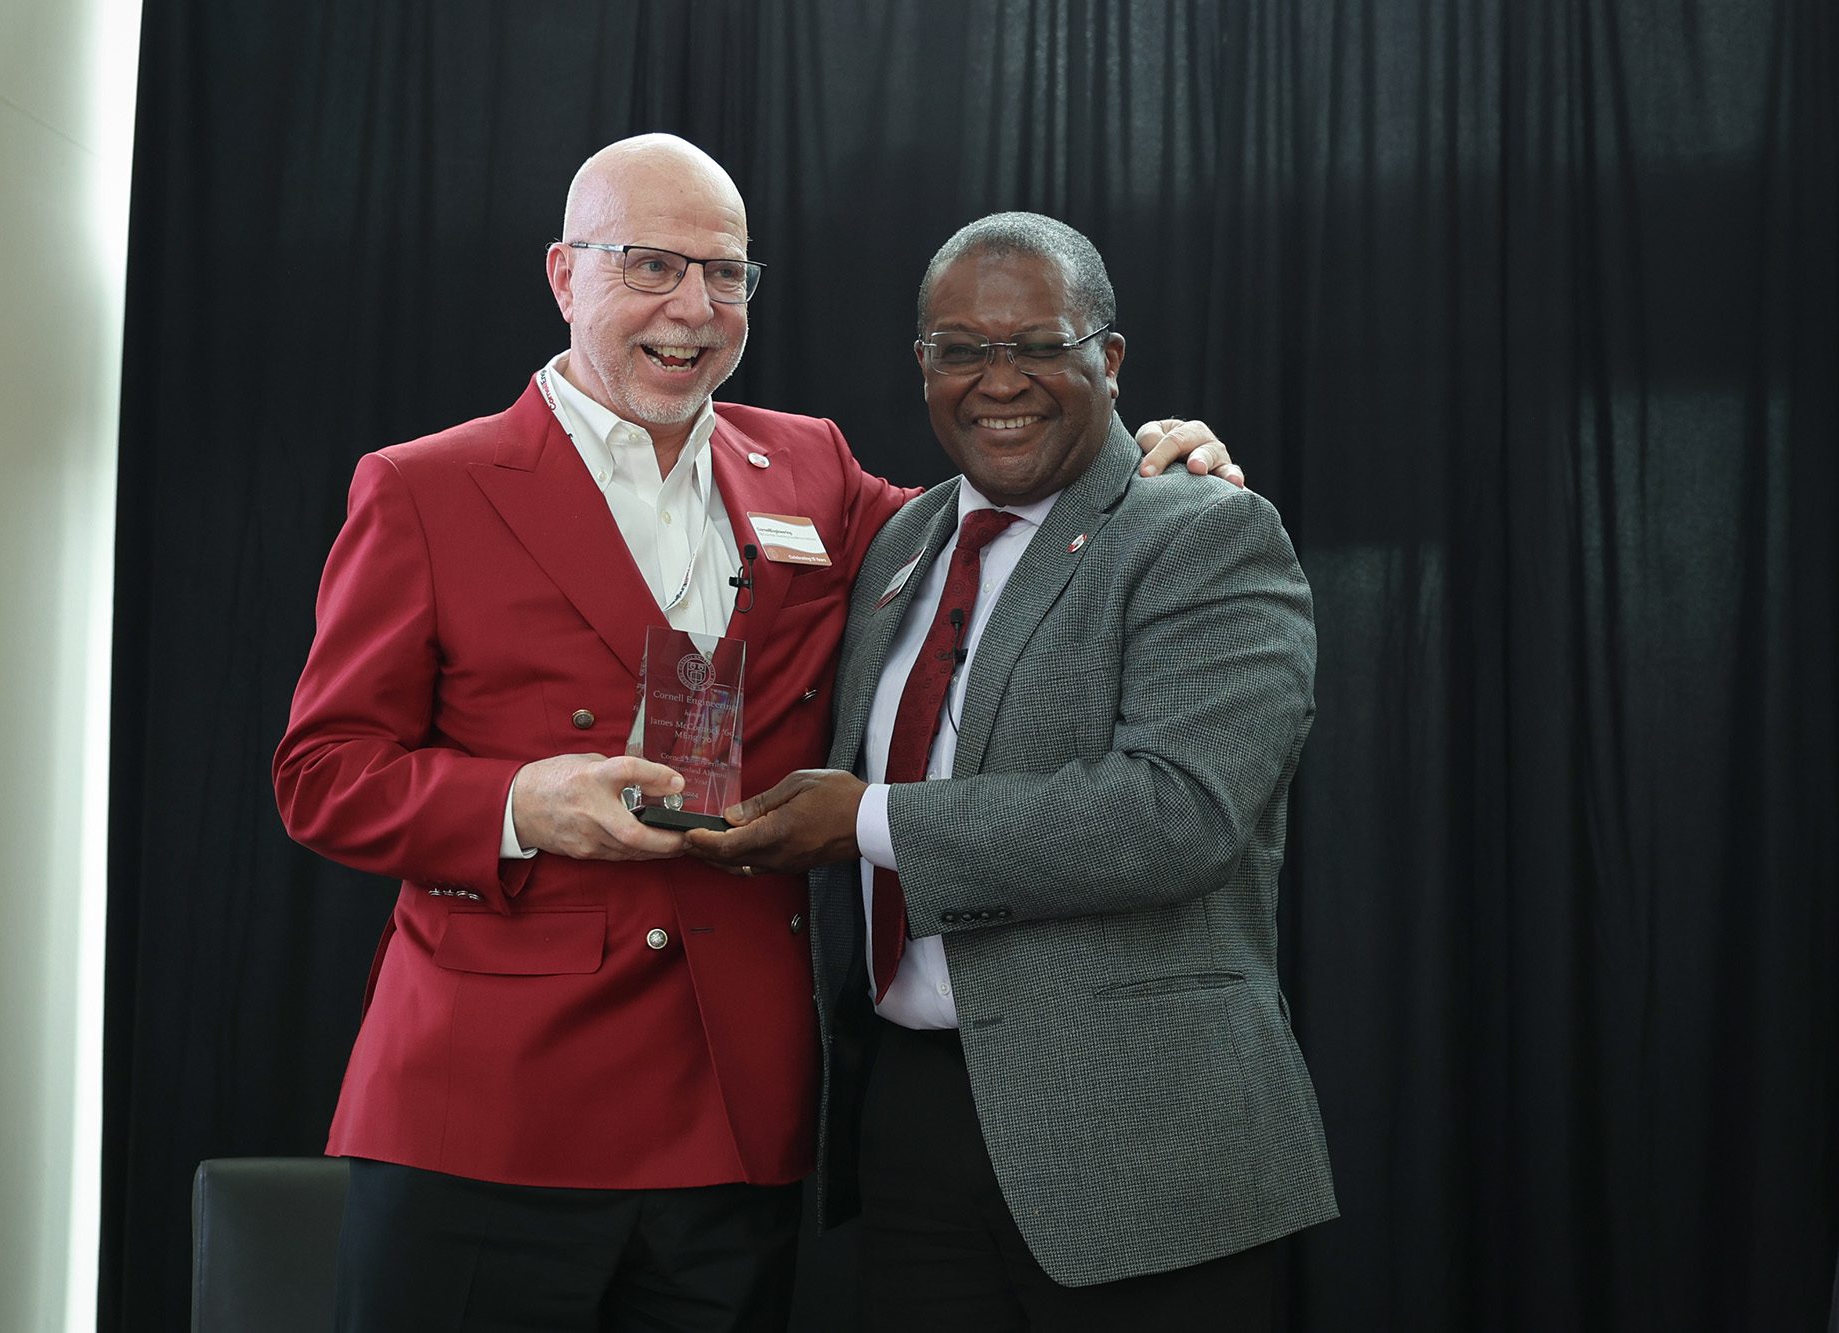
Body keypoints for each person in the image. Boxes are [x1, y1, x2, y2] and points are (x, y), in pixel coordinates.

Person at [272, 135, 1241, 1330]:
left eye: (725, 275)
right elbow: (323, 775)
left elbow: (1013, 525)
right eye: (652, 269)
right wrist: (521, 802)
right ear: (563, 276)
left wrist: (1146, 460)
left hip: (733, 1110)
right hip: (492, 1105)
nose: (694, 308)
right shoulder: (423, 487)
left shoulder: (815, 469)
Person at [689, 212, 1336, 1329]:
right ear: (923, 366)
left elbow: (1177, 813)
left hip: (1143, 1133)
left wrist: (870, 823)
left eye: (1037, 344)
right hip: (911, 1124)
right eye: (962, 349)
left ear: (1109, 358)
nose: (1001, 381)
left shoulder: (1200, 529)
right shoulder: (902, 544)